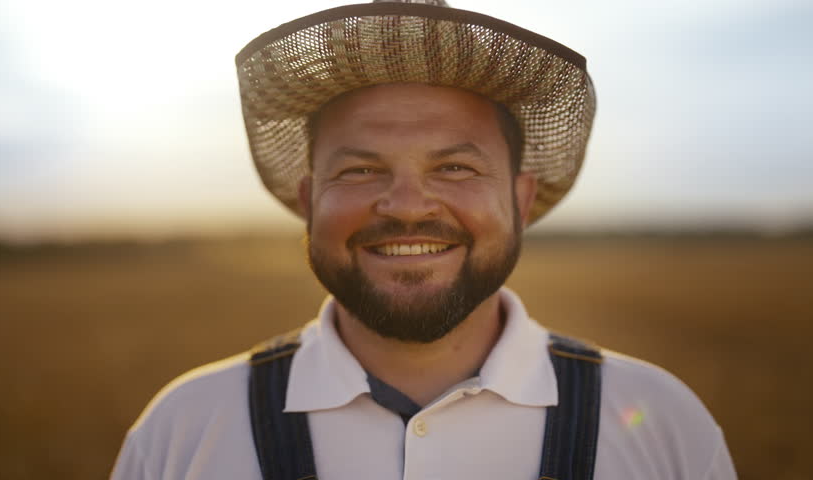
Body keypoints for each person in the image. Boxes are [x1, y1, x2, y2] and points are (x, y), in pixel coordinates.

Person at [111, 1, 737, 479]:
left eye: (455, 167)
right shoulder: (183, 431)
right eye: (360, 170)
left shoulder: (663, 422)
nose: (407, 206)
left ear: (520, 201)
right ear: (309, 201)